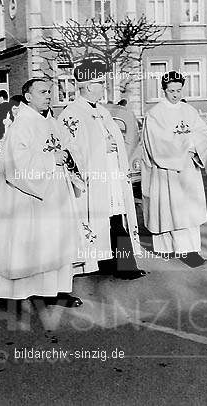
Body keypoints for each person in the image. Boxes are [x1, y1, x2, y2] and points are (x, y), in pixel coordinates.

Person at [0, 78, 84, 306]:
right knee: (31, 245)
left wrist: (68, 156)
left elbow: (65, 147)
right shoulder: (22, 124)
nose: (48, 96)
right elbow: (15, 166)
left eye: (50, 91)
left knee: (52, 243)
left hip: (54, 194)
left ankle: (55, 291)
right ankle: (17, 294)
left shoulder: (49, 121)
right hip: (30, 196)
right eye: (42, 92)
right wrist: (51, 159)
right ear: (28, 97)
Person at [60, 59, 145, 280]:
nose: (104, 87)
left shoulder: (102, 111)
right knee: (100, 220)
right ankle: (110, 265)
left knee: (115, 217)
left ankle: (121, 265)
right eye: (100, 83)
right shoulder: (72, 113)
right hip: (92, 180)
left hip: (110, 177)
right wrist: (101, 146)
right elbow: (68, 148)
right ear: (88, 86)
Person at [141, 71, 207, 268]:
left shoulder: (189, 110)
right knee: (169, 209)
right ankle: (167, 248)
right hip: (167, 171)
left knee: (187, 211)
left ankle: (189, 250)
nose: (175, 94)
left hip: (188, 170)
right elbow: (157, 143)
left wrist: (193, 147)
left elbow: (203, 133)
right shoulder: (155, 114)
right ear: (163, 90)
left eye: (179, 90)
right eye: (171, 90)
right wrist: (185, 146)